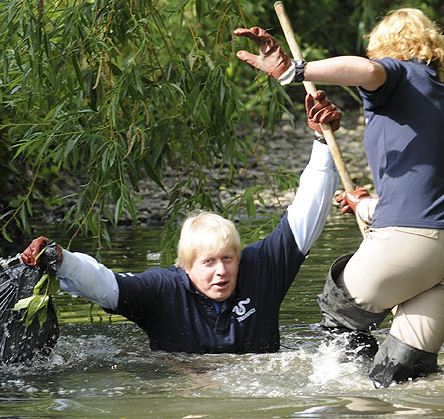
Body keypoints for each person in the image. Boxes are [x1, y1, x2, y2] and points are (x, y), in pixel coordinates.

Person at [234, 7, 444, 387]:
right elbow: (429, 187)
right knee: (404, 377)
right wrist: (366, 205)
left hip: (411, 245)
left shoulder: (397, 73)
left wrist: (293, 71)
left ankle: (350, 404)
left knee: (341, 314)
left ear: (384, 48)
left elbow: (368, 73)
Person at [21, 90, 343, 354]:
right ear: (186, 266)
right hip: (185, 385)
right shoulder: (163, 290)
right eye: (209, 262)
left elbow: (304, 216)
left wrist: (322, 143)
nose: (222, 271)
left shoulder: (260, 269)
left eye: (228, 259)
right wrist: (62, 260)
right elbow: (106, 285)